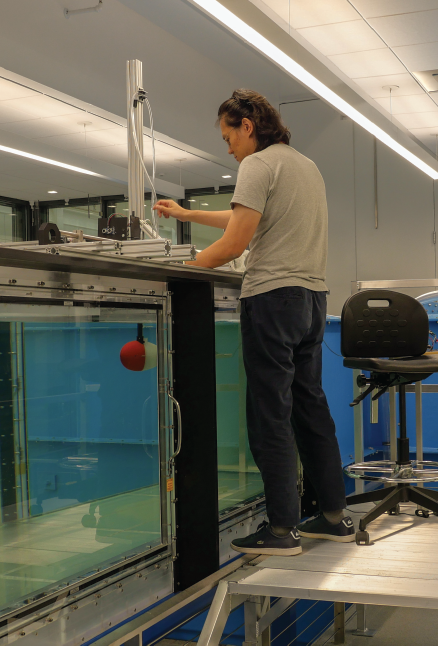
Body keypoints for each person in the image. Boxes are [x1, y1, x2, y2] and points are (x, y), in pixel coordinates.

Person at [154, 89, 352, 556]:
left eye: (228, 136)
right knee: (310, 408)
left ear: (248, 125)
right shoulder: (304, 166)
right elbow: (248, 214)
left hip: (272, 299)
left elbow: (236, 242)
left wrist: (179, 273)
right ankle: (332, 516)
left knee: (270, 414)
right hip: (312, 299)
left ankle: (282, 530)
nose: (228, 148)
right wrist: (187, 214)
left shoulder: (257, 164)